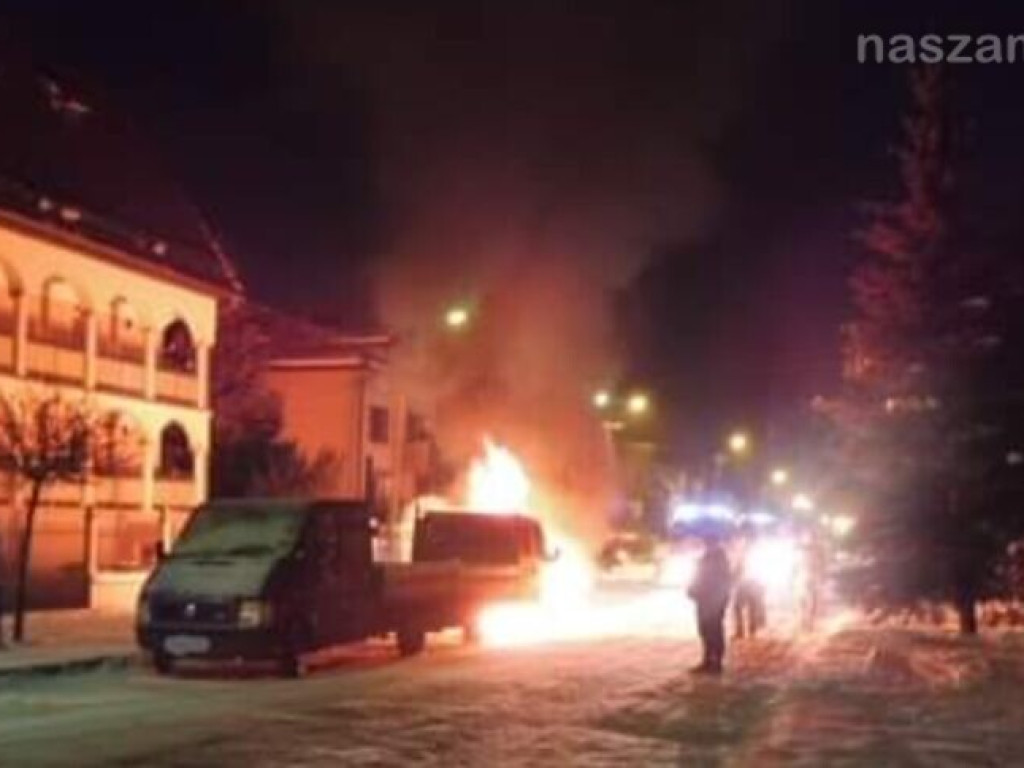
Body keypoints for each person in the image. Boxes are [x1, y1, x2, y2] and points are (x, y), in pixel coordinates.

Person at [687, 535, 732, 674]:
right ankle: (708, 659)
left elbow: (719, 580)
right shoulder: (708, 557)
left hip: (713, 601)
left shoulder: (719, 558)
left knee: (714, 630)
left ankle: (716, 661)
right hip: (704, 599)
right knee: (706, 630)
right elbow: (699, 576)